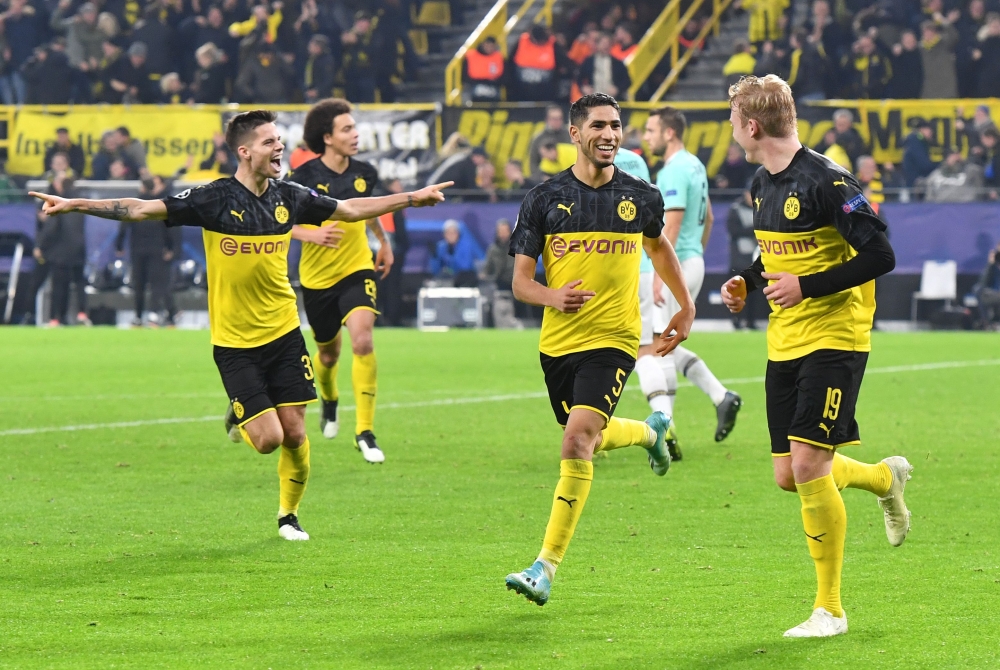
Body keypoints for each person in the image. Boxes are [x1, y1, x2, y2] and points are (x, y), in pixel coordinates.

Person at [30, 109, 452, 542]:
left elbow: (347, 209)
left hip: (285, 333)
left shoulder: (289, 195)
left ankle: (288, 516)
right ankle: (240, 414)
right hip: (234, 342)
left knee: (294, 433)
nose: (279, 148)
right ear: (245, 151)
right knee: (267, 439)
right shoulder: (213, 199)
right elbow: (139, 209)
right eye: (270, 142)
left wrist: (410, 198)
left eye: (279, 140)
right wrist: (77, 203)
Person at [721, 74, 911, 638]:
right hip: (786, 339)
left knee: (808, 465)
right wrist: (748, 282)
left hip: (837, 334)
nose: (733, 131)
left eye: (734, 121)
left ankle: (830, 609)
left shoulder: (830, 180)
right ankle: (882, 479)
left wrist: (808, 287)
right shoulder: (762, 182)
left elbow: (881, 254)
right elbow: (775, 256)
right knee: (790, 475)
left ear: (751, 126)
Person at [503, 93, 695, 607]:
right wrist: (553, 296)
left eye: (616, 126)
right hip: (557, 345)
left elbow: (660, 249)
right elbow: (521, 283)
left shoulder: (640, 196)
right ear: (575, 133)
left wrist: (685, 305)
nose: (609, 134)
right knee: (587, 435)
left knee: (576, 442)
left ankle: (544, 566)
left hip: (612, 341)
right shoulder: (544, 199)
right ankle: (651, 431)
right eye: (598, 126)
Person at [285, 98, 390, 463]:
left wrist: (383, 243)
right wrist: (309, 235)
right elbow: (278, 220)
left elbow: (369, 207)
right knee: (328, 354)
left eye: (354, 127)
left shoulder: (365, 171)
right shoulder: (301, 179)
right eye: (347, 129)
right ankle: (329, 401)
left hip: (357, 268)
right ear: (327, 138)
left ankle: (365, 432)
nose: (355, 134)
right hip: (316, 280)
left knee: (362, 339)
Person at [639, 106, 742, 456]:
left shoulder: (673, 170)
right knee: (664, 343)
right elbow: (709, 217)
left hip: (676, 264)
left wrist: (661, 270)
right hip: (691, 260)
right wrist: (694, 255)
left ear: (669, 133)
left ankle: (665, 429)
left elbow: (673, 222)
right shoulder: (696, 165)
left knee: (657, 346)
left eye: (651, 130)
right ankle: (720, 396)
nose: (647, 137)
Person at [115, 176, 180, 327]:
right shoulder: (158, 205)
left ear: (142, 187)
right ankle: (154, 315)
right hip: (156, 249)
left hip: (137, 250)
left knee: (139, 285)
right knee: (156, 284)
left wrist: (119, 246)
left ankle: (138, 316)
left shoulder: (133, 204)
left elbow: (124, 227)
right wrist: (170, 247)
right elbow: (168, 228)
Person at [33, 165, 89, 327]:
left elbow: (52, 228)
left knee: (59, 285)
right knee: (79, 283)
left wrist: (40, 246)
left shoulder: (61, 203)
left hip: (61, 251)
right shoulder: (81, 202)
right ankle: (82, 313)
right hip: (79, 249)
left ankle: (56, 318)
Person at [725, 184, 762, 330]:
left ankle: (751, 321)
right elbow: (733, 230)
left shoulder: (760, 208)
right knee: (737, 290)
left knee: (753, 292)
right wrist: (753, 230)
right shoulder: (736, 209)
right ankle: (736, 320)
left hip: (755, 255)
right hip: (739, 257)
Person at [575, 32, 630, 99]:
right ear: (597, 44)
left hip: (612, 101)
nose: (605, 46)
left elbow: (627, 81)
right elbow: (578, 77)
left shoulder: (617, 63)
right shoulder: (589, 61)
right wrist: (583, 87)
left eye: (608, 44)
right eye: (603, 43)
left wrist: (617, 89)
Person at [429, 219, 482, 286]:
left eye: (453, 233)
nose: (451, 235)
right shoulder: (441, 247)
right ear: (444, 235)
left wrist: (452, 255)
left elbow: (465, 268)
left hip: (465, 282)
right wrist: (434, 257)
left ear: (458, 234)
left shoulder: (466, 246)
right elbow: (435, 272)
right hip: (447, 282)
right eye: (448, 233)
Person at [528, 106, 572, 178]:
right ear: (547, 119)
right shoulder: (538, 139)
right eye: (554, 119)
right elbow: (533, 164)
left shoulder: (570, 136)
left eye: (559, 118)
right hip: (546, 180)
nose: (557, 121)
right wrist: (541, 178)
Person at [464, 35, 504, 103]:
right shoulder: (471, 56)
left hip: (494, 86)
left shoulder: (498, 57)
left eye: (492, 46)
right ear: (483, 44)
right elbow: (465, 74)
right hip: (474, 86)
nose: (489, 48)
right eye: (487, 45)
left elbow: (504, 76)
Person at [302, 34, 335, 103]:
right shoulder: (311, 59)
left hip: (322, 97)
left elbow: (328, 79)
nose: (309, 47)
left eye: (311, 45)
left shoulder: (327, 61)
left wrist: (317, 91)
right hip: (310, 95)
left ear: (318, 47)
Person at [973, 242, 1000, 327]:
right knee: (978, 290)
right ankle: (987, 323)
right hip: (994, 294)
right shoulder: (993, 266)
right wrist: (990, 264)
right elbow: (982, 283)